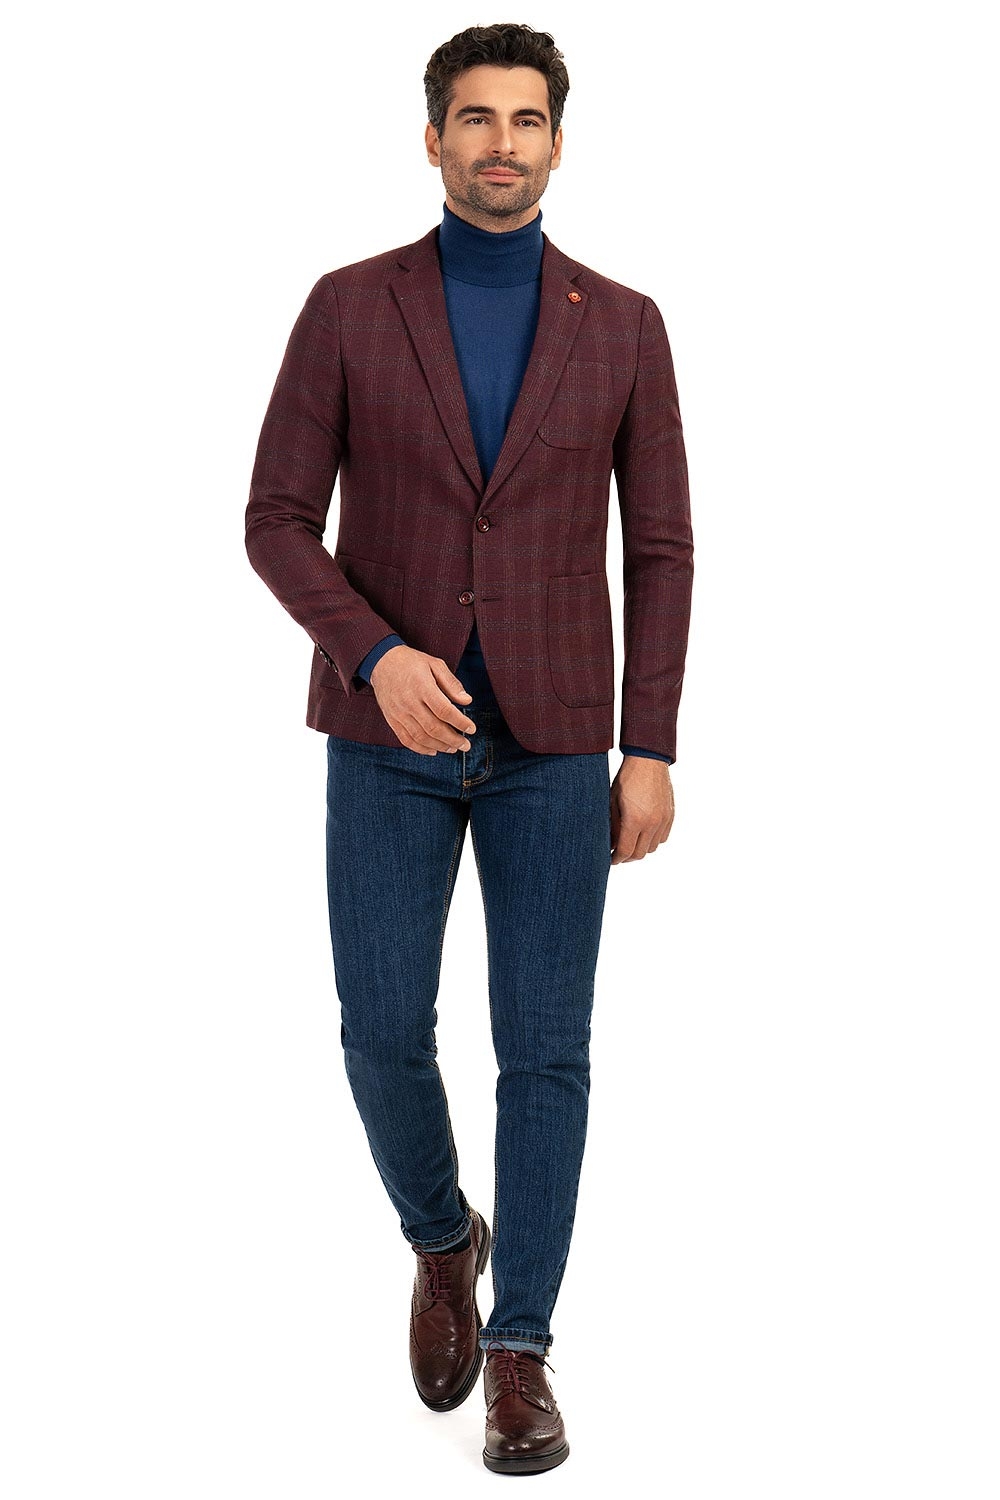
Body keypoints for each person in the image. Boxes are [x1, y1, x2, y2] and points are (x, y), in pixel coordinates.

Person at [245, 22, 693, 1476]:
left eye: (528, 119)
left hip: (558, 747)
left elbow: (662, 548)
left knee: (545, 1052)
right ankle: (445, 1237)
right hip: (384, 740)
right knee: (380, 1030)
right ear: (432, 137)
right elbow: (274, 520)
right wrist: (373, 655)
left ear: (559, 141)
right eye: (477, 118)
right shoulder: (347, 306)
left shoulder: (624, 325)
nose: (504, 143)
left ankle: (523, 1350)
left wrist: (648, 743)